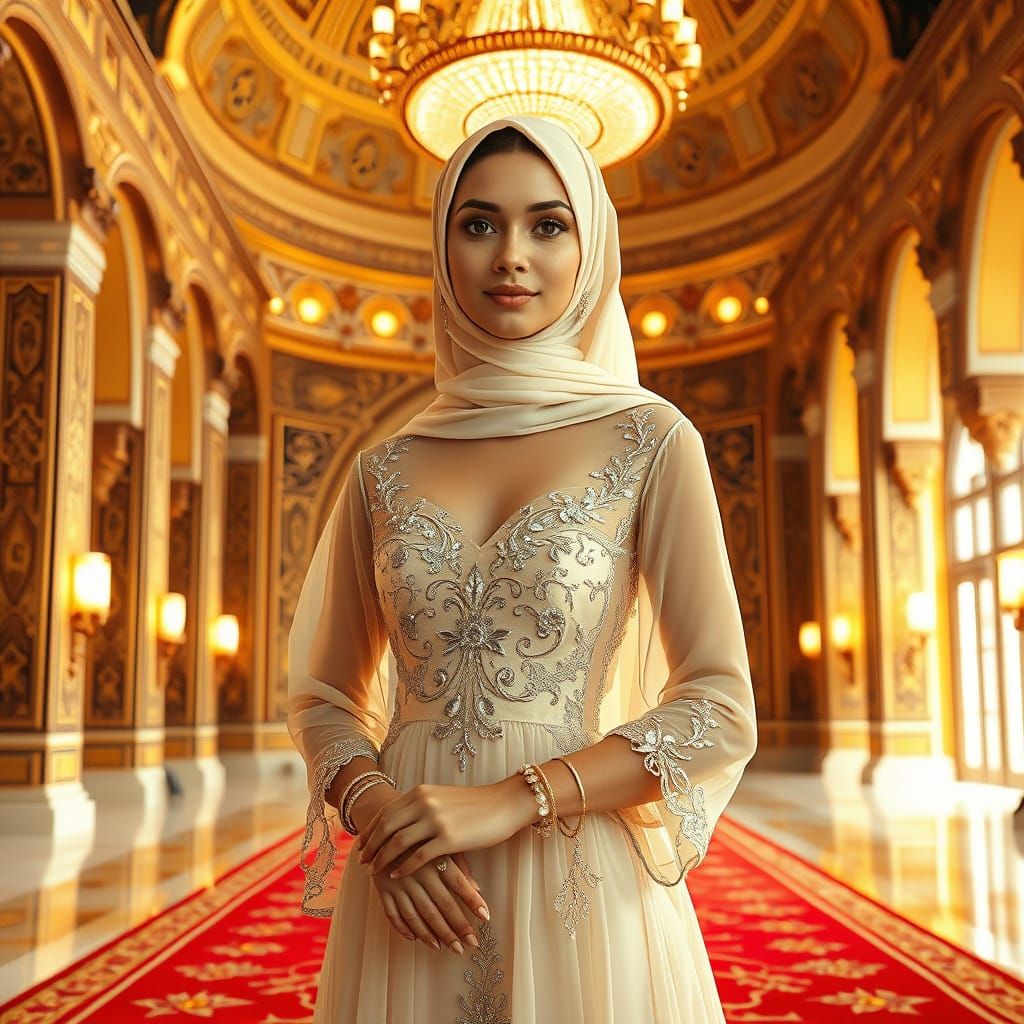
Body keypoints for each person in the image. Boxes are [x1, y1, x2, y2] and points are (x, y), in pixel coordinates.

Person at [287, 115, 757, 1023]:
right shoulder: (383, 468)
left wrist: (515, 800)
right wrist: (374, 807)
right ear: (441, 245)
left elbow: (719, 708)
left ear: (591, 247)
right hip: (410, 875)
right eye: (478, 224)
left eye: (548, 225)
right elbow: (323, 697)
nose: (511, 255)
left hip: (576, 875)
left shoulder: (653, 439)